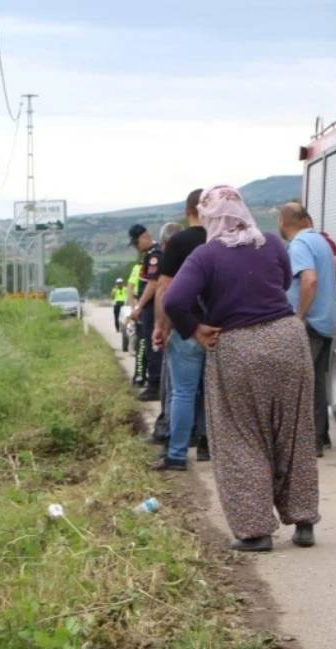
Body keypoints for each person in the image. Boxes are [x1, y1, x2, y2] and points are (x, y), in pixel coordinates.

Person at [163, 185, 320, 551]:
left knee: (240, 437)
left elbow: (174, 301)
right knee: (294, 432)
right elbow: (282, 281)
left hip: (238, 346)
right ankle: (304, 522)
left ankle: (256, 531)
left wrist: (195, 329)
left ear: (209, 217)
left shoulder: (206, 255)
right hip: (287, 339)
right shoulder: (271, 242)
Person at [150, 189, 210, 470]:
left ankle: (176, 455)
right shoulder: (221, 240)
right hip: (220, 327)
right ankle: (208, 446)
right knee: (214, 394)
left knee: (183, 392)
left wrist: (160, 326)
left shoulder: (179, 242)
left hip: (187, 326)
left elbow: (164, 287)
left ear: (188, 212)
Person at [279, 202, 336, 456]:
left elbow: (309, 279)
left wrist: (299, 316)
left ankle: (306, 443)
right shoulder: (321, 241)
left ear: (283, 222)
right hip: (325, 322)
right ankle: (319, 438)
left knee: (299, 384)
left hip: (310, 324)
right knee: (316, 384)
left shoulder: (300, 244)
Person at [148, 222, 183, 445]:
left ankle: (169, 435)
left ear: (165, 243)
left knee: (174, 389)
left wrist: (160, 327)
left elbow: (163, 290)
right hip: (205, 328)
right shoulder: (201, 252)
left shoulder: (168, 259)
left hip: (177, 329)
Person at [127, 224, 163, 401]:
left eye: (135, 243)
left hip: (152, 307)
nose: (136, 248)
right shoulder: (150, 254)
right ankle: (154, 382)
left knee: (152, 345)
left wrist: (139, 306)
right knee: (148, 345)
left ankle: (155, 384)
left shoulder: (154, 255)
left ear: (143, 238)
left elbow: (153, 283)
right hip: (150, 307)